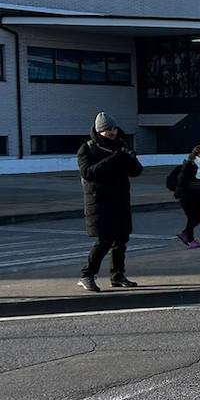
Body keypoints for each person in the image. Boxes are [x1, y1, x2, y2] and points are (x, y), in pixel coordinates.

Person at [76, 112, 144, 292]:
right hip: (99, 201)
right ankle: (87, 275)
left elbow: (137, 171)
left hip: (120, 199)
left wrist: (129, 157)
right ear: (99, 131)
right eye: (107, 130)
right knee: (104, 240)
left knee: (121, 239)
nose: (112, 132)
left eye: (113, 128)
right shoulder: (88, 149)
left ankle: (117, 275)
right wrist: (114, 159)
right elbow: (88, 173)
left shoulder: (121, 145)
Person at [173, 145, 200, 248]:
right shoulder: (190, 165)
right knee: (193, 217)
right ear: (196, 154)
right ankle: (189, 239)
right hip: (187, 196)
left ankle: (186, 235)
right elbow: (182, 180)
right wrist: (182, 192)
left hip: (197, 196)